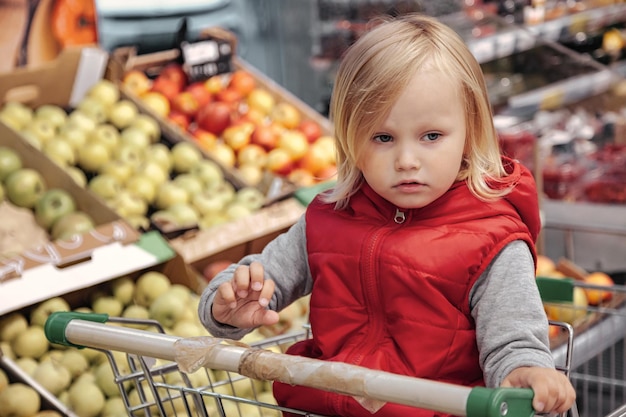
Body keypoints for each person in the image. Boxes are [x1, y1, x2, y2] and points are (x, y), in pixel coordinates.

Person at [198, 13, 576, 417]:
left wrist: (526, 370)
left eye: (431, 136)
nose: (407, 160)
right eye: (383, 137)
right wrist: (228, 305)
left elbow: (513, 339)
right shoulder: (328, 218)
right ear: (349, 138)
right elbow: (264, 274)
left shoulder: (492, 242)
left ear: (471, 131)